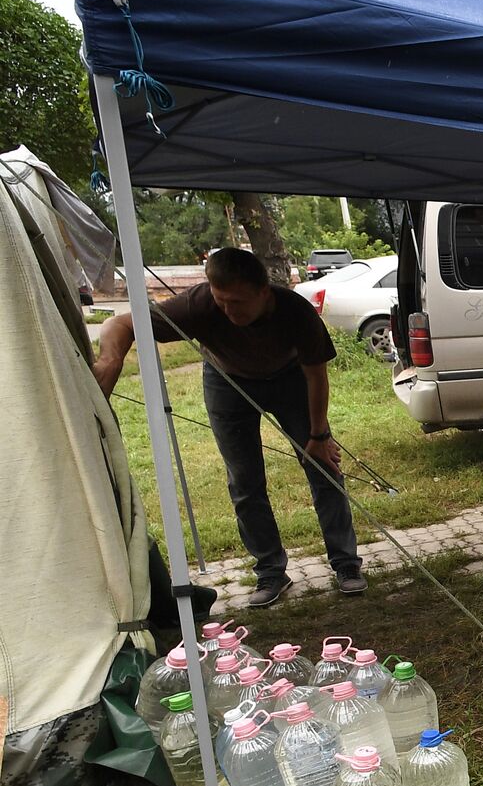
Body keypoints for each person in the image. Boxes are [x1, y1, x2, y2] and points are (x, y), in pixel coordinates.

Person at [92, 247, 366, 607]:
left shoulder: (295, 311)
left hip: (291, 380)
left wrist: (319, 435)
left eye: (237, 302)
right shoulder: (199, 304)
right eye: (221, 301)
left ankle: (346, 564)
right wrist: (110, 360)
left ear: (263, 292)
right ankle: (270, 572)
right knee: (244, 481)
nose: (227, 311)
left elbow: (316, 375)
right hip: (227, 382)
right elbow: (121, 324)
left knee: (323, 467)